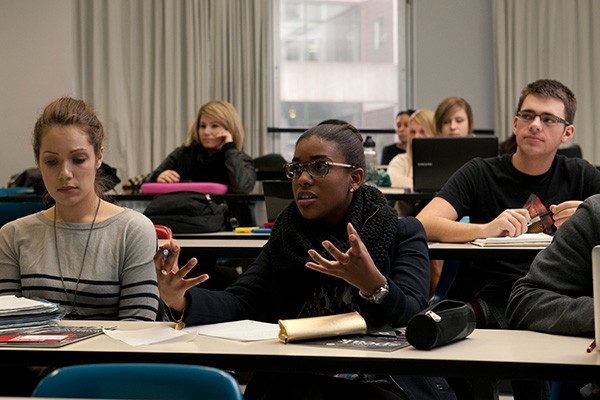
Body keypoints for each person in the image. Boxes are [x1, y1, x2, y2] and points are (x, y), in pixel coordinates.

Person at [157, 123, 456, 399]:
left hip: (377, 378)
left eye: (319, 167)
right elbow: (241, 300)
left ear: (355, 178)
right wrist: (182, 301)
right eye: (296, 168)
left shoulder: (401, 231)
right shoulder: (287, 236)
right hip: (296, 377)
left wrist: (374, 285)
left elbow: (413, 315)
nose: (302, 178)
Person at [416, 79, 600, 399]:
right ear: (515, 124)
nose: (535, 125)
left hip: (553, 299)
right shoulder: (480, 172)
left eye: (548, 119)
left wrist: (588, 213)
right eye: (527, 116)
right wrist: (483, 229)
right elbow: (423, 222)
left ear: (567, 133)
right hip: (490, 295)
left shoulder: (581, 175)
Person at [0, 96, 160, 394]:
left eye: (78, 159)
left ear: (99, 156)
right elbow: (9, 331)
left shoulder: (133, 230)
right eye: (51, 161)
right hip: (31, 380)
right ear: (38, 162)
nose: (65, 173)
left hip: (110, 379)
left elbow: (136, 330)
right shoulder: (13, 235)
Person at [146, 100, 256, 194]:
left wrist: (229, 148)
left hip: (226, 216)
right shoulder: (183, 154)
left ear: (229, 129)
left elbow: (242, 188)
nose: (206, 132)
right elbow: (147, 180)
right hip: (186, 214)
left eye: (214, 126)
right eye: (202, 126)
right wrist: (158, 176)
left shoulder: (240, 159)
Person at [386, 109, 436, 191]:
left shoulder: (444, 162)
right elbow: (393, 180)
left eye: (422, 132)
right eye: (412, 132)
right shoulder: (401, 160)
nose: (416, 137)